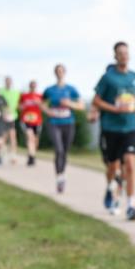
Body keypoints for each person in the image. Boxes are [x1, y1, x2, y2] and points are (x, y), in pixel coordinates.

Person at [93, 42, 135, 221]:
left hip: (130, 127)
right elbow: (96, 101)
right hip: (111, 128)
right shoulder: (108, 78)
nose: (124, 56)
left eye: (126, 53)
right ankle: (111, 188)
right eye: (120, 53)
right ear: (115, 56)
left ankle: (131, 205)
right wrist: (114, 108)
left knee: (130, 163)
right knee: (113, 167)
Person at [42, 64, 84, 193]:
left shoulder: (71, 89)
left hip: (68, 122)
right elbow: (42, 104)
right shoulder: (49, 89)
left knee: (64, 151)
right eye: (57, 71)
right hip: (54, 122)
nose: (60, 73)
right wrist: (48, 111)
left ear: (65, 72)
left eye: (61, 71)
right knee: (58, 149)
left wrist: (69, 103)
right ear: (55, 73)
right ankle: (59, 177)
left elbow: (81, 106)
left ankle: (63, 174)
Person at [18, 80, 43, 166]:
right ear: (29, 86)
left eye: (34, 85)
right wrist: (22, 106)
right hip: (26, 120)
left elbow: (44, 107)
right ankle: (31, 158)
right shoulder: (24, 96)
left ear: (36, 86)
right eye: (31, 85)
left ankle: (32, 154)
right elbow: (19, 106)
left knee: (35, 140)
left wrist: (39, 103)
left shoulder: (40, 96)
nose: (33, 87)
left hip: (37, 121)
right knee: (30, 137)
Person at [0, 76, 21, 164]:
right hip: (2, 117)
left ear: (11, 82)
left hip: (12, 117)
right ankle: (1, 154)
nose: (8, 83)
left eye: (9, 81)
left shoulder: (16, 92)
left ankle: (13, 156)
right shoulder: (0, 92)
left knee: (13, 137)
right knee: (4, 137)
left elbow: (18, 103)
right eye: (7, 81)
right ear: (5, 82)